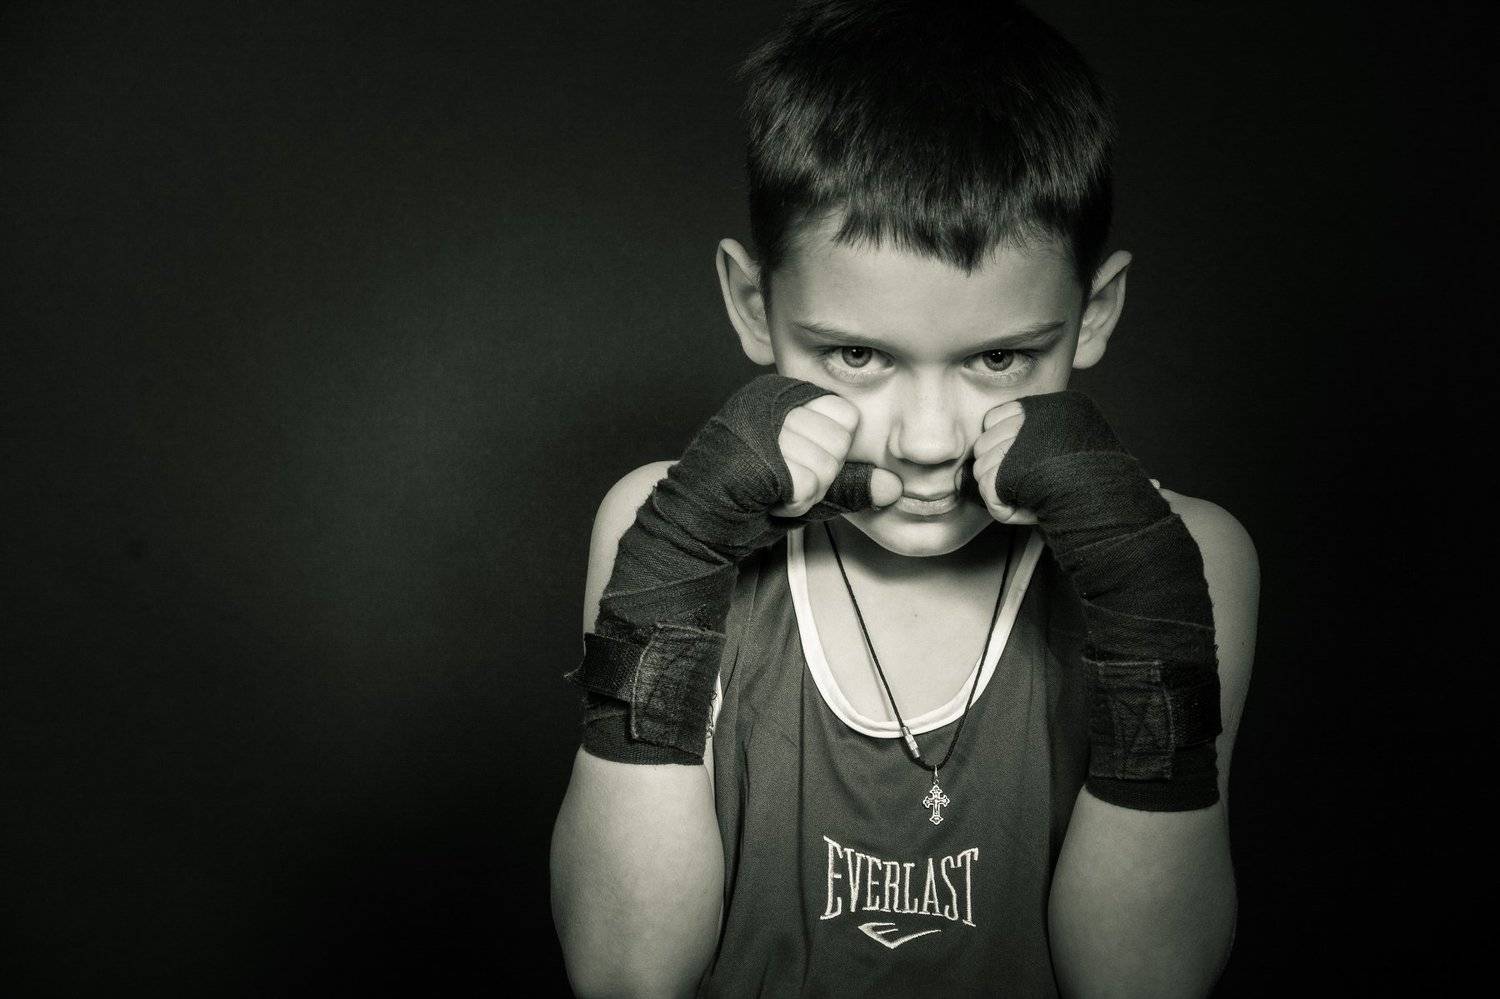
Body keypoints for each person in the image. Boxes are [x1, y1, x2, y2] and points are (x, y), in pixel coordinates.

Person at [550, 1, 1258, 995]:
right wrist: (677, 551)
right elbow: (626, 974)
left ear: (1093, 314)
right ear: (754, 304)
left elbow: (1141, 983)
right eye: (856, 354)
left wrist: (1149, 602)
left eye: (999, 359)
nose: (928, 441)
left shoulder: (1188, 555)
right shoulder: (662, 526)